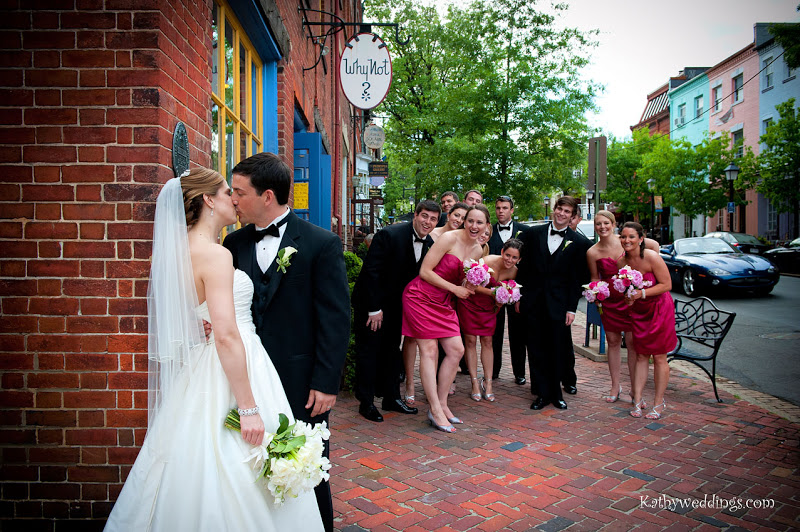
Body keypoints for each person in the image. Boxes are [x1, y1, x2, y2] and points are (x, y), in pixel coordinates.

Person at [105, 169, 323, 530]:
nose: (233, 200)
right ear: (208, 200)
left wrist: (198, 324)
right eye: (225, 192)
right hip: (234, 361)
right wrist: (248, 408)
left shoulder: (177, 252)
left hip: (200, 367)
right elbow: (226, 335)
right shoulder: (216, 255)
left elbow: (188, 314)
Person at [223, 152, 350, 532]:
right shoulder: (233, 243)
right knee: (249, 461)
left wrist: (326, 382)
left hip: (301, 380)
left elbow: (335, 319)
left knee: (307, 466)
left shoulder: (321, 243)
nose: (233, 199)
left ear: (267, 196)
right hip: (246, 378)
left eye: (239, 192)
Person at [401, 205, 490, 433]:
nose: (474, 226)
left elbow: (461, 280)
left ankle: (442, 404)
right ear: (464, 221)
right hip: (420, 297)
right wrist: (455, 289)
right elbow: (425, 271)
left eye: (479, 222)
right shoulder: (449, 238)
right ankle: (434, 409)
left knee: (456, 350)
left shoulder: (478, 250)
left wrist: (471, 284)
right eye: (470, 221)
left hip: (443, 302)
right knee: (430, 351)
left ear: (486, 226)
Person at [351, 200, 441, 423]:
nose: (428, 222)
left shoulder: (430, 243)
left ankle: (391, 398)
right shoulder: (389, 235)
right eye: (424, 216)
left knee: (392, 351)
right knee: (369, 351)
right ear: (415, 215)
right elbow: (371, 272)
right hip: (372, 303)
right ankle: (366, 402)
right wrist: (373, 309)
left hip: (397, 306)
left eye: (433, 219)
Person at [516, 196, 590, 411]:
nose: (562, 214)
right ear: (554, 209)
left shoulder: (579, 243)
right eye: (560, 209)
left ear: (572, 216)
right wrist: (519, 296)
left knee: (557, 349)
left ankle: (556, 394)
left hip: (559, 305)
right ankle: (541, 393)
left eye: (567, 211)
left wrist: (571, 308)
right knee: (536, 348)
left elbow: (576, 280)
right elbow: (523, 268)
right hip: (533, 301)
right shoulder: (533, 234)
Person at [619, 222, 677, 420]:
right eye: (623, 236)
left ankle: (658, 403)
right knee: (641, 355)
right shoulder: (621, 263)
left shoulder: (651, 257)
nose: (627, 240)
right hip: (640, 312)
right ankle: (637, 400)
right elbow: (626, 292)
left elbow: (667, 284)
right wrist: (629, 298)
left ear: (641, 239)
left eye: (631, 237)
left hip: (659, 309)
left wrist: (641, 293)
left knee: (659, 356)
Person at [458, 239, 522, 403]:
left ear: (519, 259)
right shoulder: (487, 261)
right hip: (470, 303)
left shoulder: (514, 272)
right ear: (502, 252)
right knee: (470, 341)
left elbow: (508, 292)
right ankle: (474, 383)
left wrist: (503, 299)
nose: (509, 260)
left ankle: (488, 383)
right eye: (507, 255)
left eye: (514, 257)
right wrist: (495, 293)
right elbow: (471, 285)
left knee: (487, 341)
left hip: (489, 309)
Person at [585, 210, 638, 402]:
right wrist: (595, 293)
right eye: (598, 224)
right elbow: (594, 278)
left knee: (632, 344)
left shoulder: (625, 242)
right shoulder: (592, 252)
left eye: (606, 223)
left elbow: (648, 249)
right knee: (613, 342)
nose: (602, 227)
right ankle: (615, 386)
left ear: (613, 224)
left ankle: (636, 388)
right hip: (609, 302)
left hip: (630, 300)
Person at [488, 195, 530, 384]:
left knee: (518, 333)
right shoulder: (489, 231)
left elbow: (527, 265)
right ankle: (494, 370)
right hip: (493, 290)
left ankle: (519, 373)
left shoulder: (525, 231)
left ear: (512, 210)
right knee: (494, 332)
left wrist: (521, 295)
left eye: (505, 208)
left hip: (516, 292)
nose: (501, 211)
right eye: (498, 208)